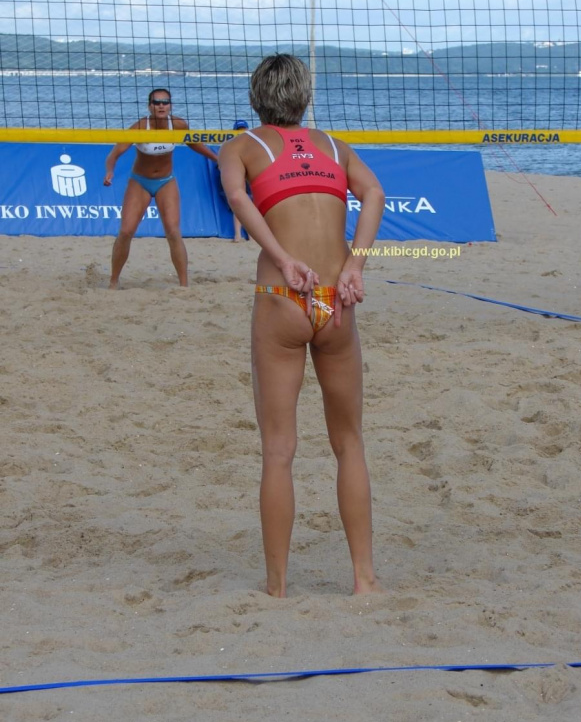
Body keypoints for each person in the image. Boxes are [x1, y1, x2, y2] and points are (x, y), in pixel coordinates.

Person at [218, 54, 385, 597]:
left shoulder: (241, 147)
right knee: (350, 443)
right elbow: (375, 194)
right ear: (305, 97)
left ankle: (277, 587)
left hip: (283, 296)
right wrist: (355, 264)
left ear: (255, 98)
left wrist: (284, 259)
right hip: (337, 298)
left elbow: (238, 199)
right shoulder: (334, 145)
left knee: (278, 450)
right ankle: (364, 580)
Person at [103, 88, 218, 289]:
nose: (161, 105)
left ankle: (184, 285)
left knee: (173, 232)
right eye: (157, 102)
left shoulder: (178, 124)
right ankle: (113, 281)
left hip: (166, 181)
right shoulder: (140, 127)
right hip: (140, 181)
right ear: (150, 106)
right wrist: (110, 171)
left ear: (170, 105)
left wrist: (216, 158)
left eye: (165, 102)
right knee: (126, 231)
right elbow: (114, 154)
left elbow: (193, 143)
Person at [231, 119, 249, 242]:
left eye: (243, 130)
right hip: (238, 175)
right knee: (240, 201)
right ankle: (238, 234)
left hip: (249, 176)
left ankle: (251, 235)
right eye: (239, 130)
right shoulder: (231, 145)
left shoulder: (252, 143)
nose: (241, 132)